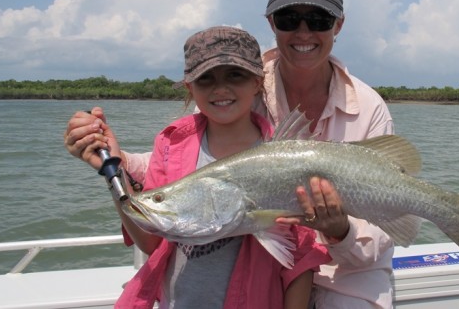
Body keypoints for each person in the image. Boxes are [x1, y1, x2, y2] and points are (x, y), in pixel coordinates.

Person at [65, 0, 396, 308]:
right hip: (271, 254)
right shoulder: (238, 87)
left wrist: (339, 230)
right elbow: (188, 164)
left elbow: (381, 235)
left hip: (347, 267)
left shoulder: (370, 107)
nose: (303, 31)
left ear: (339, 24)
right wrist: (114, 158)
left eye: (319, 19)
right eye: (288, 18)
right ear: (271, 22)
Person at [76, 26, 331, 309]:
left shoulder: (286, 157)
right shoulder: (170, 143)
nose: (220, 89)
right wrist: (113, 172)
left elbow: (301, 259)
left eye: (235, 75)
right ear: (190, 87)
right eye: (205, 78)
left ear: (258, 82)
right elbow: (151, 242)